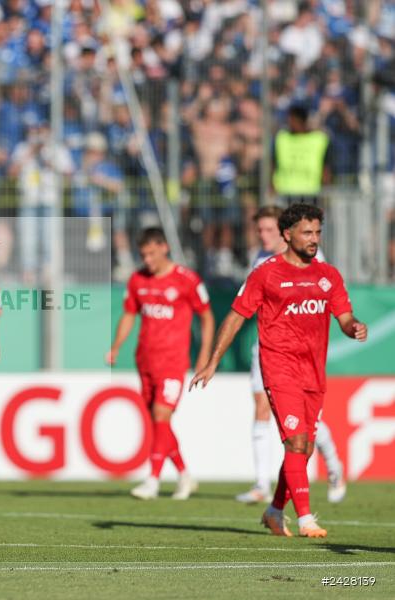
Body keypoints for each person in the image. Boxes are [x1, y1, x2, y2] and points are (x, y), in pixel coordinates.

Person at [191, 203, 367, 538]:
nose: (314, 239)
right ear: (288, 235)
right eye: (307, 233)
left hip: (313, 373)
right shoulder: (266, 273)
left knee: (303, 449)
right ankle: (305, 519)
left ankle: (274, 511)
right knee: (296, 441)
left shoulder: (328, 275)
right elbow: (236, 315)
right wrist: (213, 361)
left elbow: (344, 317)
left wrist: (355, 327)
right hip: (278, 367)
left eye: (317, 232)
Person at [236, 205, 347, 505]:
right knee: (261, 407)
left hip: (303, 357)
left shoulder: (313, 259)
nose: (263, 236)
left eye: (268, 230)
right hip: (269, 351)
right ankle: (261, 483)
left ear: (285, 233)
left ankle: (333, 463)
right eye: (259, 230)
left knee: (304, 431)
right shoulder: (260, 261)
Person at [106, 227, 215, 500]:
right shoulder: (138, 280)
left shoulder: (186, 280)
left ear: (164, 248)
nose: (148, 261)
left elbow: (207, 317)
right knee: (159, 424)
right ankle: (185, 476)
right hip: (145, 360)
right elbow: (129, 315)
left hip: (173, 362)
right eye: (144, 255)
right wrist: (116, 346)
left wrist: (204, 356)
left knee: (161, 416)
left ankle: (152, 481)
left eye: (152, 254)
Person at [271, 105, 331, 206]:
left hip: (311, 194)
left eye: (291, 120)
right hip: (285, 193)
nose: (289, 123)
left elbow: (325, 168)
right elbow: (273, 164)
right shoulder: (281, 138)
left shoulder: (319, 140)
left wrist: (326, 190)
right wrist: (272, 186)